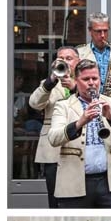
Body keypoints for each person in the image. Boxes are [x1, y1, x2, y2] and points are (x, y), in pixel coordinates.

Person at [48, 59, 111, 208]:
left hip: (109, 183)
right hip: (74, 183)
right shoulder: (64, 106)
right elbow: (54, 138)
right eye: (86, 79)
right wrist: (80, 122)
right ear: (76, 81)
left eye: (95, 78)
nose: (92, 83)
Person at [29, 46, 79, 208]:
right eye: (61, 59)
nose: (65, 62)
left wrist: (74, 88)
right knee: (54, 198)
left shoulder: (85, 82)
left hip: (78, 146)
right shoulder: (48, 84)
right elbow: (35, 104)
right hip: (53, 149)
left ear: (78, 62)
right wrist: (51, 81)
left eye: (69, 58)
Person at [75, 13, 111, 99]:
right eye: (98, 31)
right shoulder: (79, 52)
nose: (102, 35)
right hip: (88, 103)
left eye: (105, 31)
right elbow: (73, 78)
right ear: (90, 31)